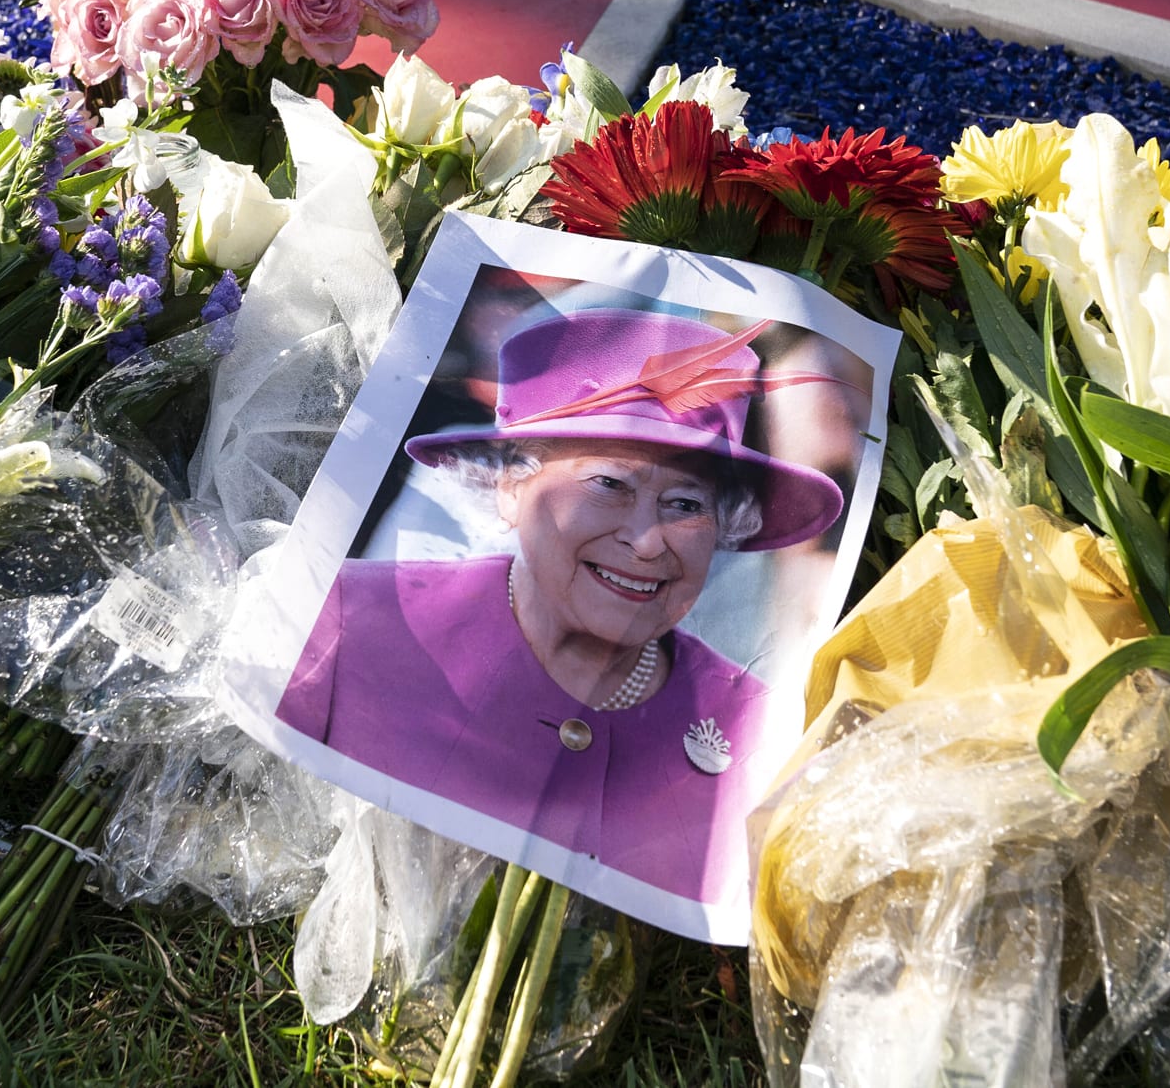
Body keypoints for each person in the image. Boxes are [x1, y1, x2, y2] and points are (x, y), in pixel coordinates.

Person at [273, 307, 847, 906]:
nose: (647, 542)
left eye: (685, 504)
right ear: (511, 487)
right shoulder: (345, 621)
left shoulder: (762, 729)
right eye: (609, 484)